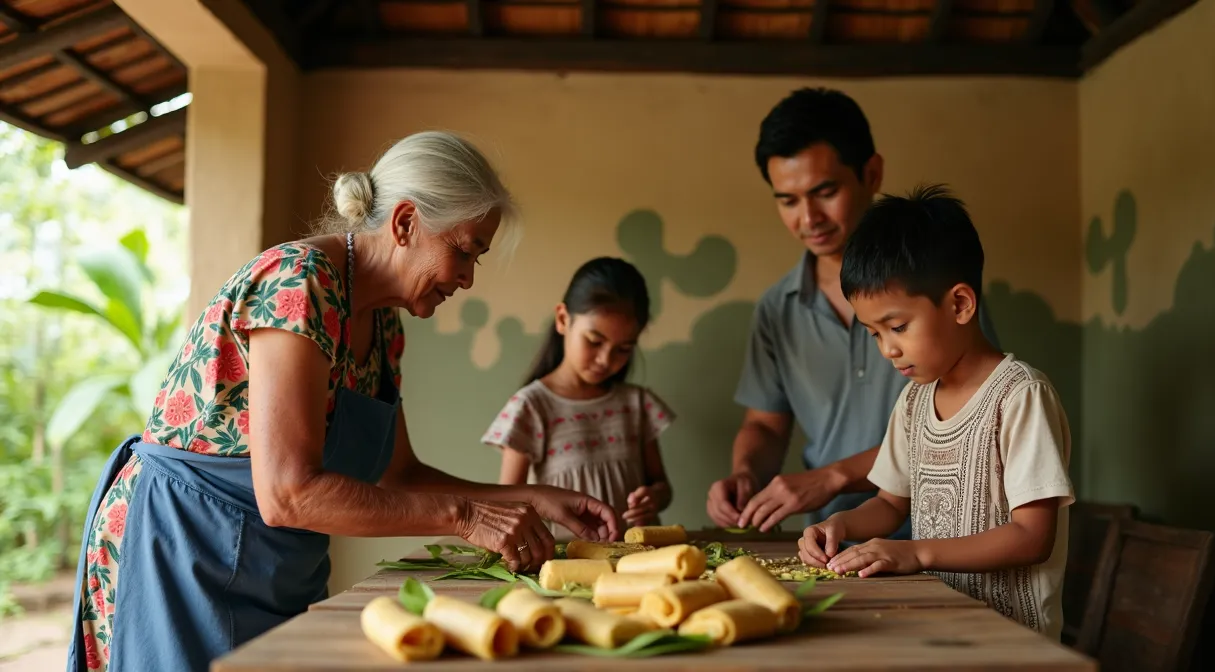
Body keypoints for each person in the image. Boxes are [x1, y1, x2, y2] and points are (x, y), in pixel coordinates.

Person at [67, 131, 620, 672]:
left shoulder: (384, 325)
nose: (466, 279)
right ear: (406, 223)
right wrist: (467, 516)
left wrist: (534, 498)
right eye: (463, 251)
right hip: (185, 555)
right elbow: (287, 493)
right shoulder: (300, 282)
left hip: (272, 566)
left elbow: (399, 477)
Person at [706, 87, 999, 534]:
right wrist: (746, 474)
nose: (809, 218)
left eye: (825, 191)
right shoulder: (775, 310)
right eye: (787, 200)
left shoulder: (936, 288)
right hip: (834, 545)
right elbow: (764, 425)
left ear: (872, 172)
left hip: (948, 543)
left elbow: (970, 421)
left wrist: (834, 476)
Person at [799, 185, 1074, 640]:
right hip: (938, 629)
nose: (888, 349)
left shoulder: (1019, 397)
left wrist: (917, 553)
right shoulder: (914, 401)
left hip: (1010, 645)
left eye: (898, 326)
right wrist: (839, 524)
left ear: (960, 304)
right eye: (873, 334)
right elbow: (890, 503)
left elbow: (1032, 536)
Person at [483, 257, 675, 538]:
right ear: (563, 319)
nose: (605, 360)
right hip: (564, 567)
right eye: (594, 341)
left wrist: (654, 498)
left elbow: (662, 486)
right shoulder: (532, 407)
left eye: (623, 348)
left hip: (638, 564)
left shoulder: (636, 405)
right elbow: (507, 505)